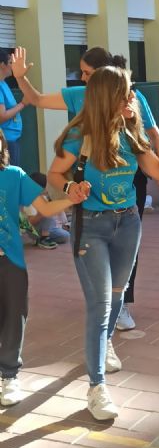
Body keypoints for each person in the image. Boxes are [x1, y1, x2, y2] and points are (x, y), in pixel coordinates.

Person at [48, 66, 159, 420]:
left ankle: (105, 342)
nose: (133, 98)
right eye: (126, 92)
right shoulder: (79, 136)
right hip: (90, 227)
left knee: (115, 298)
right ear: (107, 96)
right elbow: (53, 174)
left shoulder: (130, 131)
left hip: (128, 223)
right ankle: (96, 389)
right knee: (99, 306)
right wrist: (70, 189)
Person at [11, 46, 159, 332]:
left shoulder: (131, 94)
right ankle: (102, 304)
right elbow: (35, 99)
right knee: (94, 239)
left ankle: (121, 306)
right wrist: (20, 78)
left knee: (127, 244)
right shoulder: (79, 96)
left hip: (130, 177)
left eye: (87, 73)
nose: (82, 79)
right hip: (92, 183)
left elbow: (151, 132)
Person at [0, 129, 84, 407]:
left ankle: (9, 374)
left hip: (9, 259)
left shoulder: (13, 175)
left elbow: (44, 210)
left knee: (14, 314)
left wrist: (71, 199)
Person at [24, 172, 71, 247]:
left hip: (50, 227)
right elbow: (30, 224)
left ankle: (50, 235)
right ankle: (44, 239)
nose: (46, 189)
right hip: (36, 231)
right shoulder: (29, 200)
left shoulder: (43, 197)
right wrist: (41, 214)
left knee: (67, 230)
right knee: (66, 236)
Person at [0, 49, 25, 166]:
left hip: (11, 140)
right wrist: (23, 104)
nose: (12, 66)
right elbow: (2, 116)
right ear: (2, 65)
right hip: (5, 142)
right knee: (11, 180)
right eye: (10, 62)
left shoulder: (3, 83)